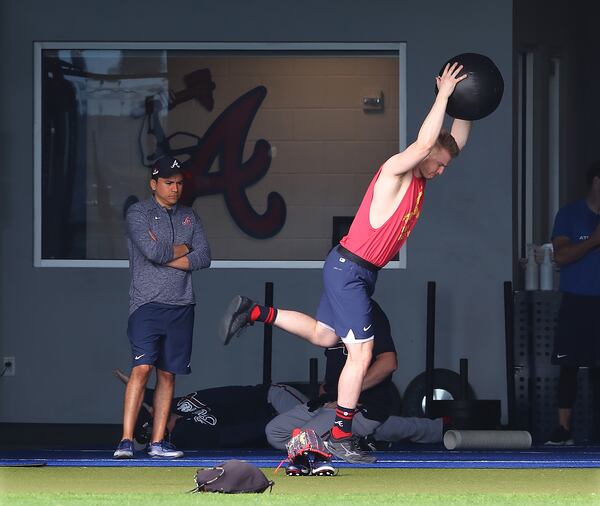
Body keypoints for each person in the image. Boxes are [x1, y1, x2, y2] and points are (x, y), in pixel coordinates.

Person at [220, 62, 471, 463]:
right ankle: (339, 434)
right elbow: (425, 146)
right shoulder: (396, 171)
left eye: (444, 167)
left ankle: (252, 311)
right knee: (361, 353)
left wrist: (467, 103)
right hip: (349, 269)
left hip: (355, 270)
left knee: (324, 336)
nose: (440, 171)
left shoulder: (423, 177)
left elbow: (452, 141)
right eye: (438, 164)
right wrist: (442, 94)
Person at [113, 156, 211, 459]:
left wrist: (169, 254)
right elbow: (152, 251)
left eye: (179, 183)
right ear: (154, 184)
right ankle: (126, 441)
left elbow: (204, 257)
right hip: (146, 303)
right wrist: (185, 248)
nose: (175, 188)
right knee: (142, 368)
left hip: (182, 304)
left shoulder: (190, 217)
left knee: (168, 374)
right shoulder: (138, 213)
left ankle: (157, 443)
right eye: (169, 182)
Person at [265, 300, 443, 465]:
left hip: (360, 406)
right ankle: (360, 439)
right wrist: (326, 389)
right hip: (328, 404)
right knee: (274, 433)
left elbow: (389, 363)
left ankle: (356, 439)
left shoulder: (368, 311)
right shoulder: (331, 311)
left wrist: (346, 396)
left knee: (302, 440)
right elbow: (334, 360)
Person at [545, 161, 600, 445]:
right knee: (569, 366)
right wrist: (594, 240)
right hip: (577, 299)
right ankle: (564, 429)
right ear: (596, 182)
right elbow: (561, 256)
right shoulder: (569, 215)